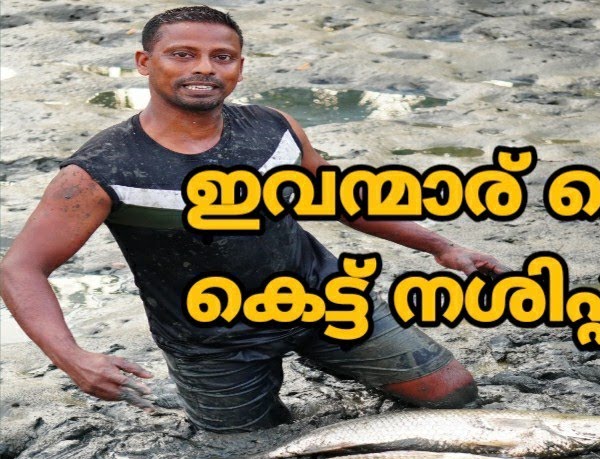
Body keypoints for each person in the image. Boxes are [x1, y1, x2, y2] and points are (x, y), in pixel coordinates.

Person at [0, 6, 508, 433]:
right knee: (248, 457)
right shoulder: (99, 171)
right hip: (213, 338)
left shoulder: (274, 129)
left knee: (454, 397)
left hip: (323, 297)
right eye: (183, 55)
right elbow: (20, 268)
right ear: (144, 62)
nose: (204, 68)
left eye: (221, 57)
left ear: (239, 67)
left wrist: (439, 247)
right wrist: (72, 358)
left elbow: (341, 199)